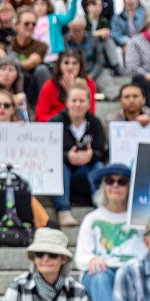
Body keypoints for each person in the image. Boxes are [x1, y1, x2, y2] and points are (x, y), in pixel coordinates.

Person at [74, 164, 146, 301]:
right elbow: (80, 255)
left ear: (130, 187)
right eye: (110, 181)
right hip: (101, 272)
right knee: (99, 275)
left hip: (130, 272)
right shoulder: (92, 218)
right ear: (104, 186)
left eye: (122, 181)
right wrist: (91, 260)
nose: (115, 186)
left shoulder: (140, 219)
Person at [52, 81, 107, 227]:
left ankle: (101, 207)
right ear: (67, 102)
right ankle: (63, 210)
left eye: (82, 101)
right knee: (59, 166)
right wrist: (67, 157)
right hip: (65, 174)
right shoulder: (56, 122)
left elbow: (101, 151)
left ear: (89, 103)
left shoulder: (95, 122)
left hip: (86, 171)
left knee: (100, 166)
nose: (78, 104)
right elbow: (47, 153)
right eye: (74, 100)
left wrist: (91, 155)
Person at [35, 49, 97, 123]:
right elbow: (40, 117)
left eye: (74, 63)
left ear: (80, 66)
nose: (70, 67)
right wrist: (61, 121)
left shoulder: (89, 83)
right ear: (60, 65)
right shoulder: (49, 85)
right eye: (66, 63)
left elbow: (91, 113)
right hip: (55, 128)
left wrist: (72, 91)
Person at [11, 9, 51, 106]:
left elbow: (31, 63)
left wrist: (12, 64)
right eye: (26, 24)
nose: (31, 27)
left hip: (32, 85)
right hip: (12, 84)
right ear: (17, 26)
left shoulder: (41, 45)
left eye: (33, 24)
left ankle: (45, 106)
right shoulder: (9, 43)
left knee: (42, 70)